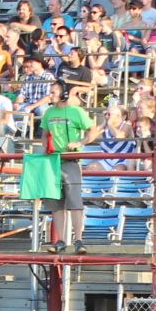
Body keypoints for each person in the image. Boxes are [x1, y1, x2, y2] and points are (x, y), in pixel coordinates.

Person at [39, 85, 96, 252]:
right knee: (55, 202)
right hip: (54, 160)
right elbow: (44, 134)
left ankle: (79, 240)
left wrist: (80, 143)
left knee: (74, 201)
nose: (50, 95)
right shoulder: (48, 113)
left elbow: (92, 130)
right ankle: (61, 240)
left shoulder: (77, 111)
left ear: (64, 93)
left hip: (71, 160)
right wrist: (46, 149)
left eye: (53, 92)